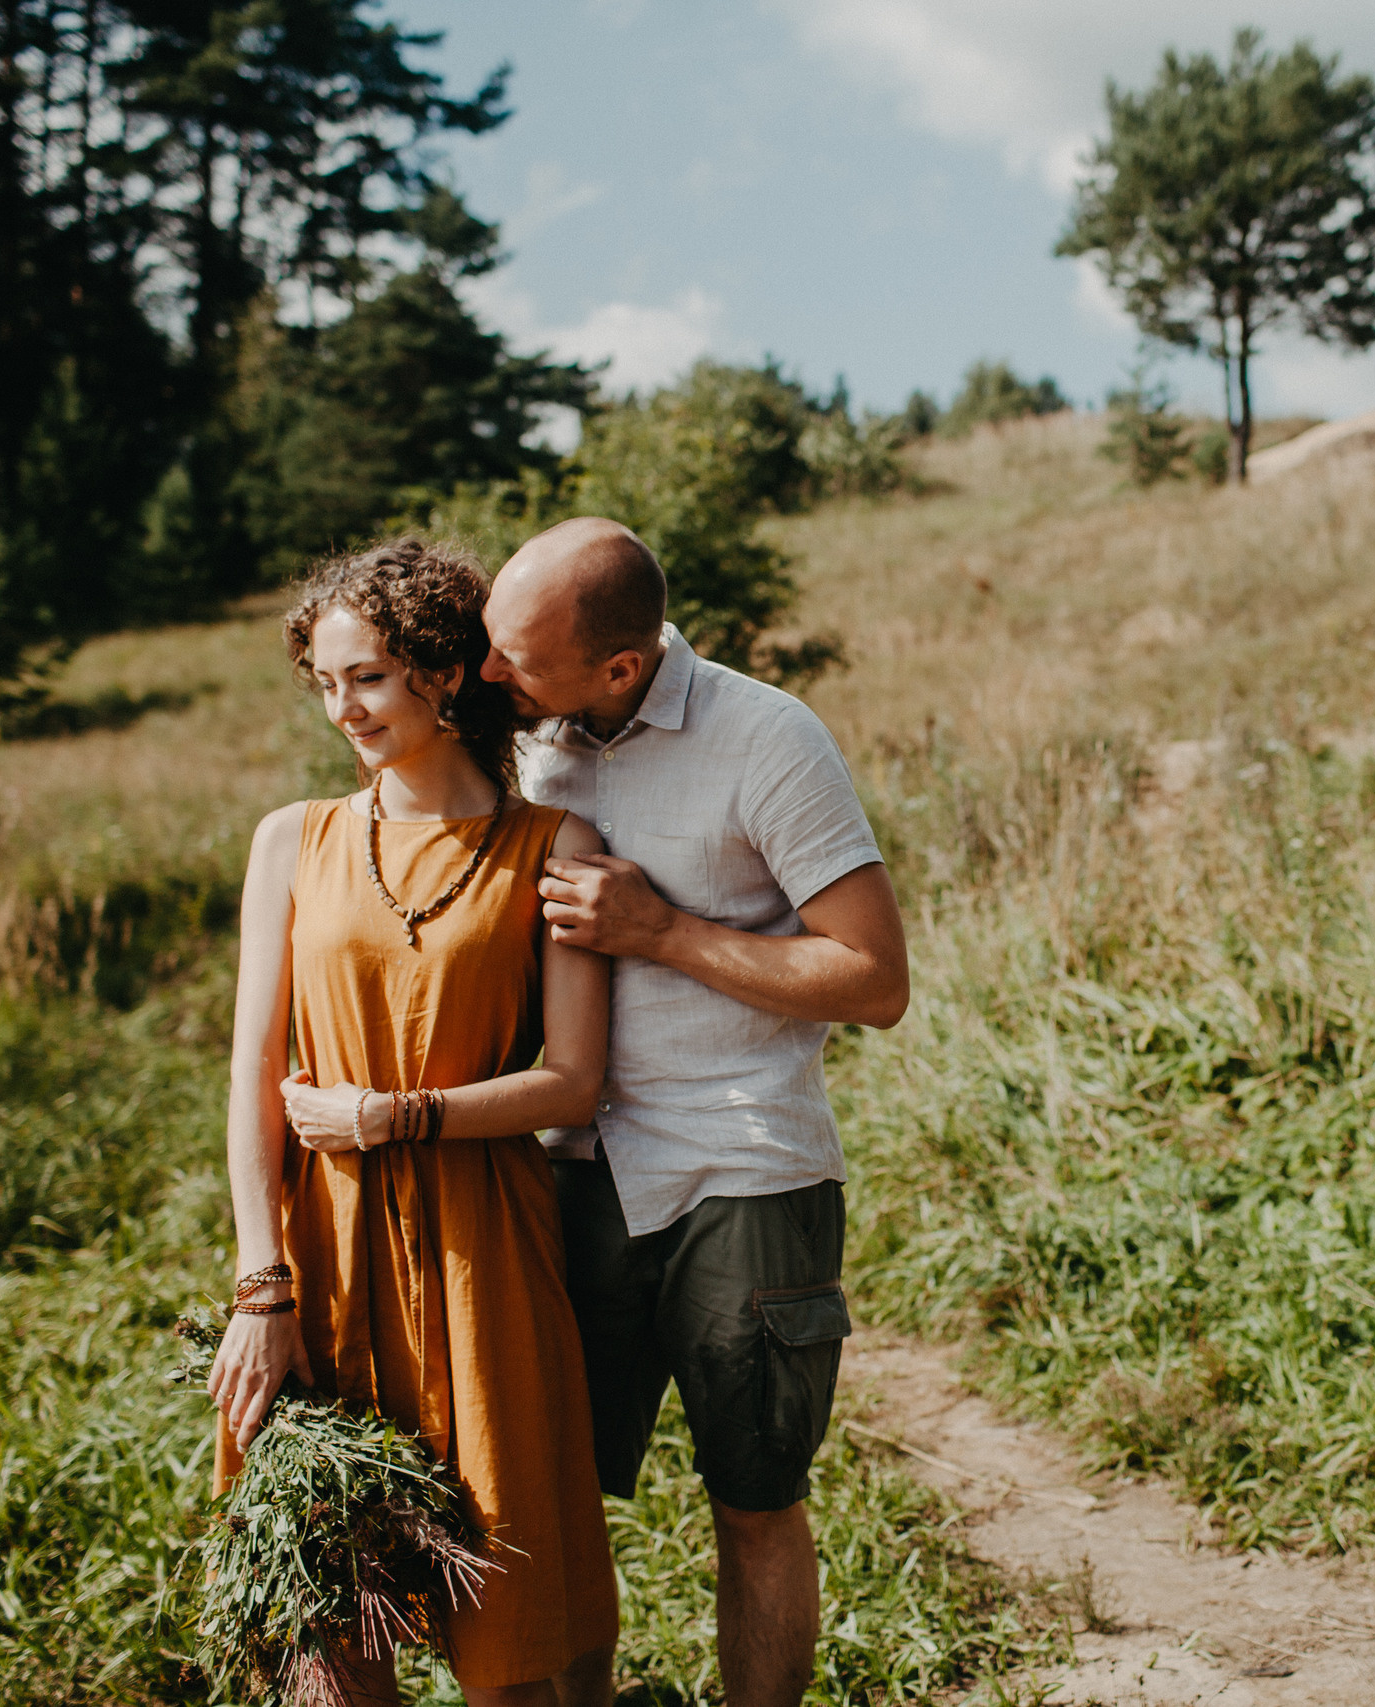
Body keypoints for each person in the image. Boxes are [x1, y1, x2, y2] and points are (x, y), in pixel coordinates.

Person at [479, 517, 910, 1707]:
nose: (487, 675)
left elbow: (874, 979)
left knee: (755, 1498)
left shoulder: (767, 738)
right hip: (570, 1170)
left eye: (515, 657)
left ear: (620, 667)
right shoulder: (523, 741)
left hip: (742, 1165)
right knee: (554, 1505)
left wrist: (662, 932)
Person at [206, 537, 618, 1707]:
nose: (343, 707)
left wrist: (394, 1115)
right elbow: (253, 1076)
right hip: (323, 1261)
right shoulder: (293, 839)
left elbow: (572, 1083)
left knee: (518, 1631)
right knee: (327, 1638)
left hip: (486, 1252)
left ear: (443, 673)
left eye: (369, 678)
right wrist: (261, 1288)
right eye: (325, 682)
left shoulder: (555, 848)